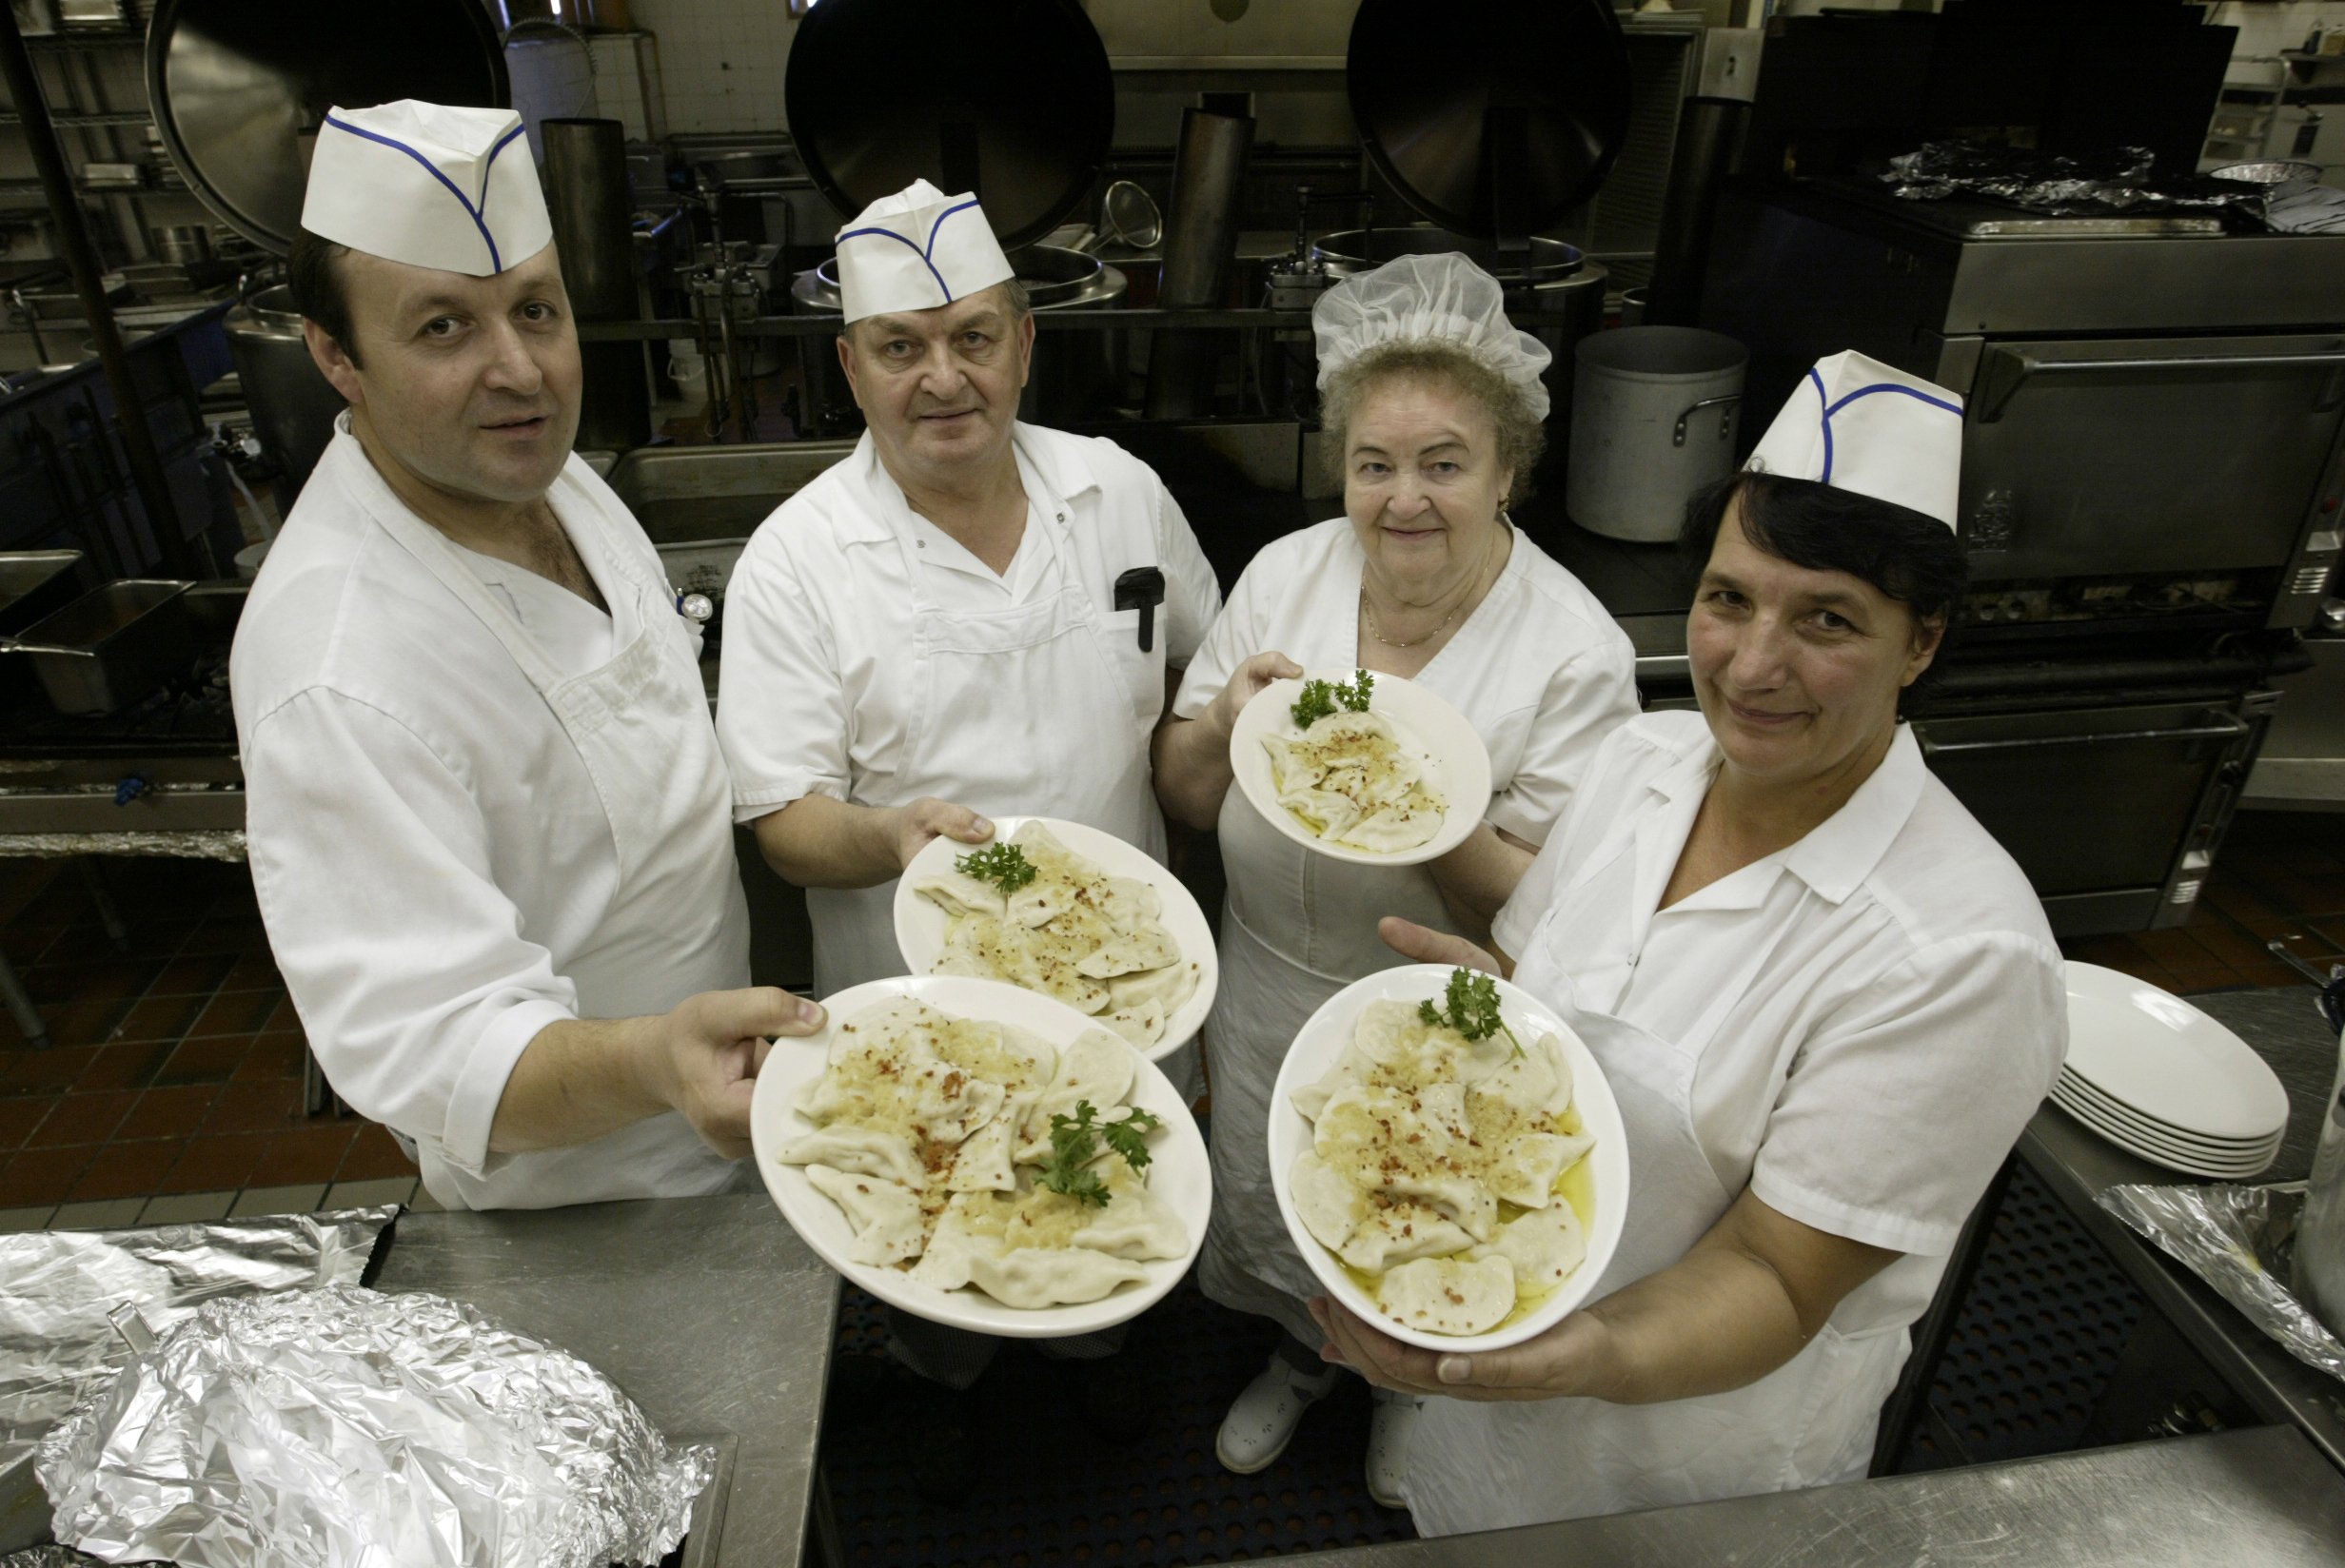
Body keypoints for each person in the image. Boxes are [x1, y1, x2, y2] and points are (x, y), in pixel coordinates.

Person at [1309, 351, 2069, 1531]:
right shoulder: (1645, 762)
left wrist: (1583, 1350)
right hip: (1493, 1316)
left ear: (1920, 642)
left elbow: (1776, 1271)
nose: (1754, 666)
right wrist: (1499, 1006)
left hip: (1684, 1456)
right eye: (1729, 599)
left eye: (1827, 620)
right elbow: (1549, 995)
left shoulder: (1957, 954)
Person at [714, 178, 1220, 1499]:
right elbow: (782, 825)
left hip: (1122, 985)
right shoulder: (799, 561)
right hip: (917, 1013)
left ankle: (1098, 1357)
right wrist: (889, 836)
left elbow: (1191, 702)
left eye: (974, 338)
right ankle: (940, 1372)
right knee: (933, 1230)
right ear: (849, 365)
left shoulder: (1121, 500)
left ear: (1026, 343)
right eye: (901, 347)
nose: (944, 379)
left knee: (1095, 1209)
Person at [232, 102, 821, 1212]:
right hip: (577, 1198)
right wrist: (654, 1064)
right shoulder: (339, 669)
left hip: (729, 1109)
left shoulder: (547, 475)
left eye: (536, 311)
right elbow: (440, 1043)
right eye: (443, 328)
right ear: (334, 355)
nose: (523, 372)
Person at [1151, 253, 1639, 1504]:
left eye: (1444, 464)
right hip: (1265, 982)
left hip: (1439, 1030)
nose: (1404, 499)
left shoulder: (1571, 651)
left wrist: (1419, 813)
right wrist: (1215, 731)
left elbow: (1551, 910)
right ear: (1340, 468)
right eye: (1375, 464)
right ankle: (1306, 1360)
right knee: (1281, 1209)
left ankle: (1410, 1398)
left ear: (1508, 469)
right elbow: (1187, 796)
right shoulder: (1287, 577)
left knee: (1419, 1220)